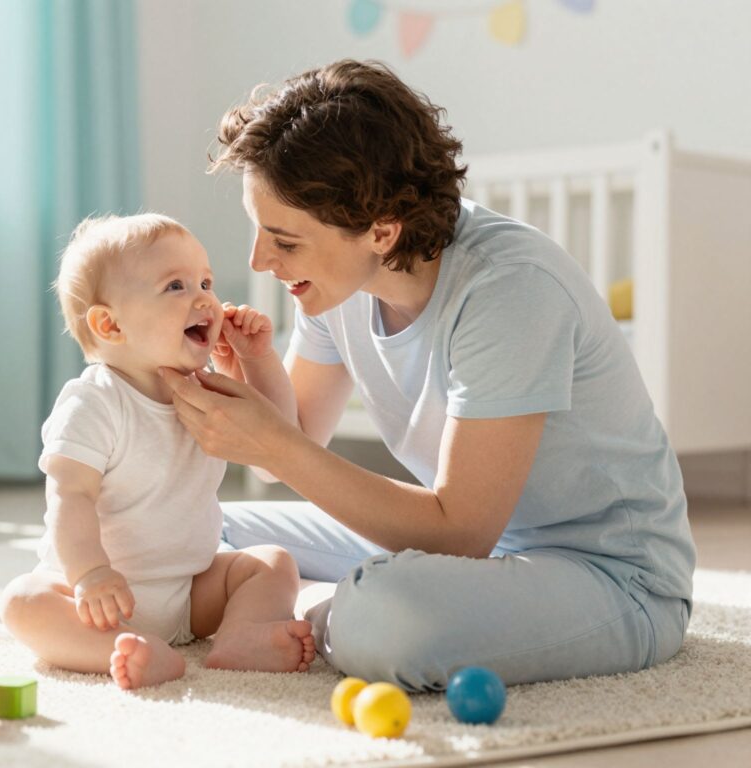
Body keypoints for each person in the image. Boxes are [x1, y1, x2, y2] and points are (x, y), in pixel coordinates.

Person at [159, 59, 695, 690]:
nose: (259, 260)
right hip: (469, 555)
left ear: (382, 230)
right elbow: (286, 454)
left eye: (285, 240)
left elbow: (461, 531)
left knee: (383, 618)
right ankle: (303, 605)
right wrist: (251, 377)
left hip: (611, 577)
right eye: (259, 230)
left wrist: (270, 441)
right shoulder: (338, 284)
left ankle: (317, 614)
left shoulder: (509, 288)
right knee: (187, 528)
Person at [1, 213, 315, 690]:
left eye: (205, 281)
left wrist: (258, 361)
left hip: (190, 590)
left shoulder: (207, 391)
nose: (205, 297)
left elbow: (276, 453)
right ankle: (122, 650)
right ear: (110, 325)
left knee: (274, 563)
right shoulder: (94, 401)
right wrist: (90, 574)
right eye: (176, 286)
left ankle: (241, 636)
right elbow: (71, 496)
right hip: (100, 600)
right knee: (24, 603)